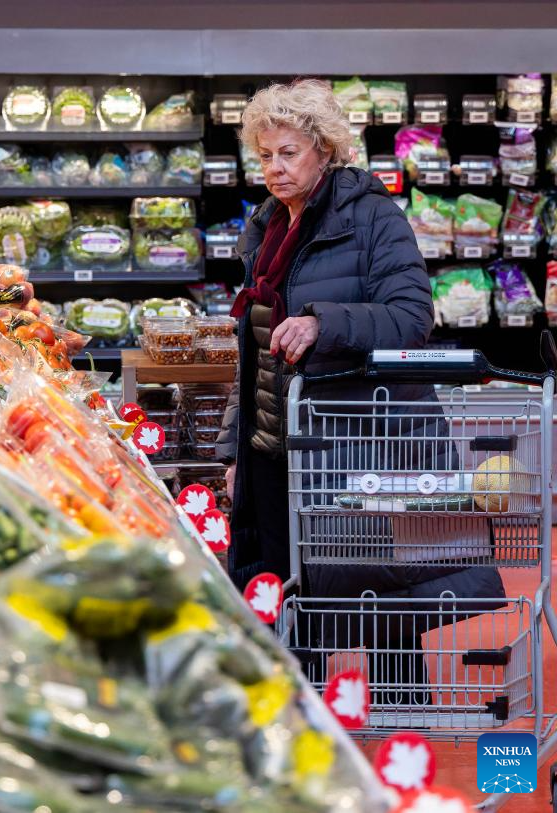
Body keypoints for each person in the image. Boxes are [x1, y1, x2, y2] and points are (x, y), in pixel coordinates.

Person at [213, 79, 503, 705]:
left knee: (381, 597)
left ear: (323, 149)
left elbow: (411, 317)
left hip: (361, 446)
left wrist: (324, 322)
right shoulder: (265, 227)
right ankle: (305, 723)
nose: (274, 167)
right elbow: (253, 349)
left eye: (288, 153)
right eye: (264, 155)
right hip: (279, 449)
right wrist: (236, 449)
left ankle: (404, 731)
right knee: (289, 598)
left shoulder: (373, 216)